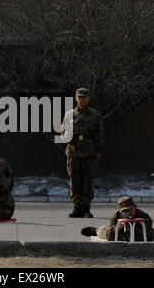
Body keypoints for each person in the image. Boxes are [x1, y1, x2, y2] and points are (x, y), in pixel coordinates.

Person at [61, 88, 104, 218]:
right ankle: (76, 207)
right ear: (76, 99)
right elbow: (62, 132)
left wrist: (99, 150)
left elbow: (99, 134)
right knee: (74, 181)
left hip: (89, 152)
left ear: (88, 99)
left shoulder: (95, 115)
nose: (82, 99)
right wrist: (67, 135)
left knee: (87, 181)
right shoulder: (69, 115)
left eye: (84, 97)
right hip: (73, 152)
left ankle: (86, 208)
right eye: (80, 97)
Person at [81, 195, 154, 241]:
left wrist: (132, 229)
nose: (127, 213)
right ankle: (95, 230)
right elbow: (110, 237)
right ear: (120, 211)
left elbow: (147, 236)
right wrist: (119, 227)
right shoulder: (116, 216)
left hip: (140, 234)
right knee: (105, 232)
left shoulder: (143, 216)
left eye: (129, 210)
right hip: (122, 235)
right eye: (124, 211)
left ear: (135, 207)